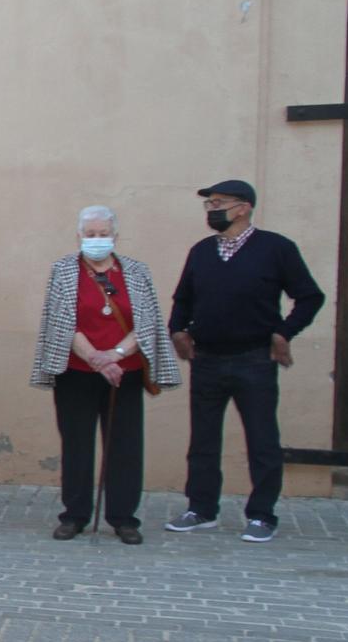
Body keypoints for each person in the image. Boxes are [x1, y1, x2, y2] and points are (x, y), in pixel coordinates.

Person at [165, 179, 325, 543]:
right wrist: (178, 331)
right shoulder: (202, 251)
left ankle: (262, 514)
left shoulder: (276, 248)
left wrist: (285, 333)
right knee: (203, 440)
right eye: (209, 205)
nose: (211, 210)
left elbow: (310, 296)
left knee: (262, 438)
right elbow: (183, 299)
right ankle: (201, 508)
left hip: (254, 359)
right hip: (207, 359)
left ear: (243, 207)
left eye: (218, 203)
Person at [32, 206, 181, 545]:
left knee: (125, 446)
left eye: (103, 234)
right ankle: (74, 515)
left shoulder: (137, 272)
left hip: (124, 372)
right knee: (77, 445)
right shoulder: (64, 270)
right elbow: (61, 320)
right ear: (79, 236)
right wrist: (97, 359)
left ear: (115, 236)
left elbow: (147, 322)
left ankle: (124, 517)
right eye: (90, 234)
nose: (96, 240)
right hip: (77, 371)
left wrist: (115, 355)